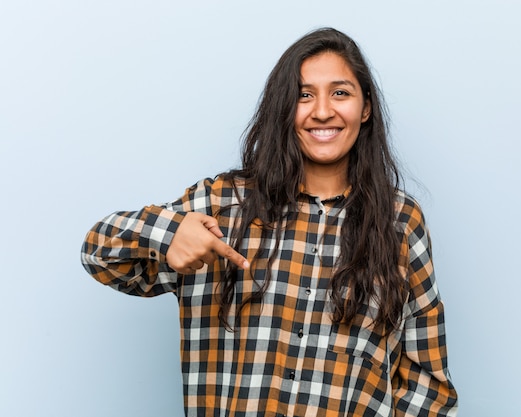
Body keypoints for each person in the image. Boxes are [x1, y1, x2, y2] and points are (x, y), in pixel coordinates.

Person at [81, 27, 458, 417]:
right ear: (283, 107)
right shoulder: (222, 205)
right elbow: (98, 254)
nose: (323, 110)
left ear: (365, 109)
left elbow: (426, 382)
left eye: (340, 93)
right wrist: (167, 234)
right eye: (304, 95)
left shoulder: (399, 222)